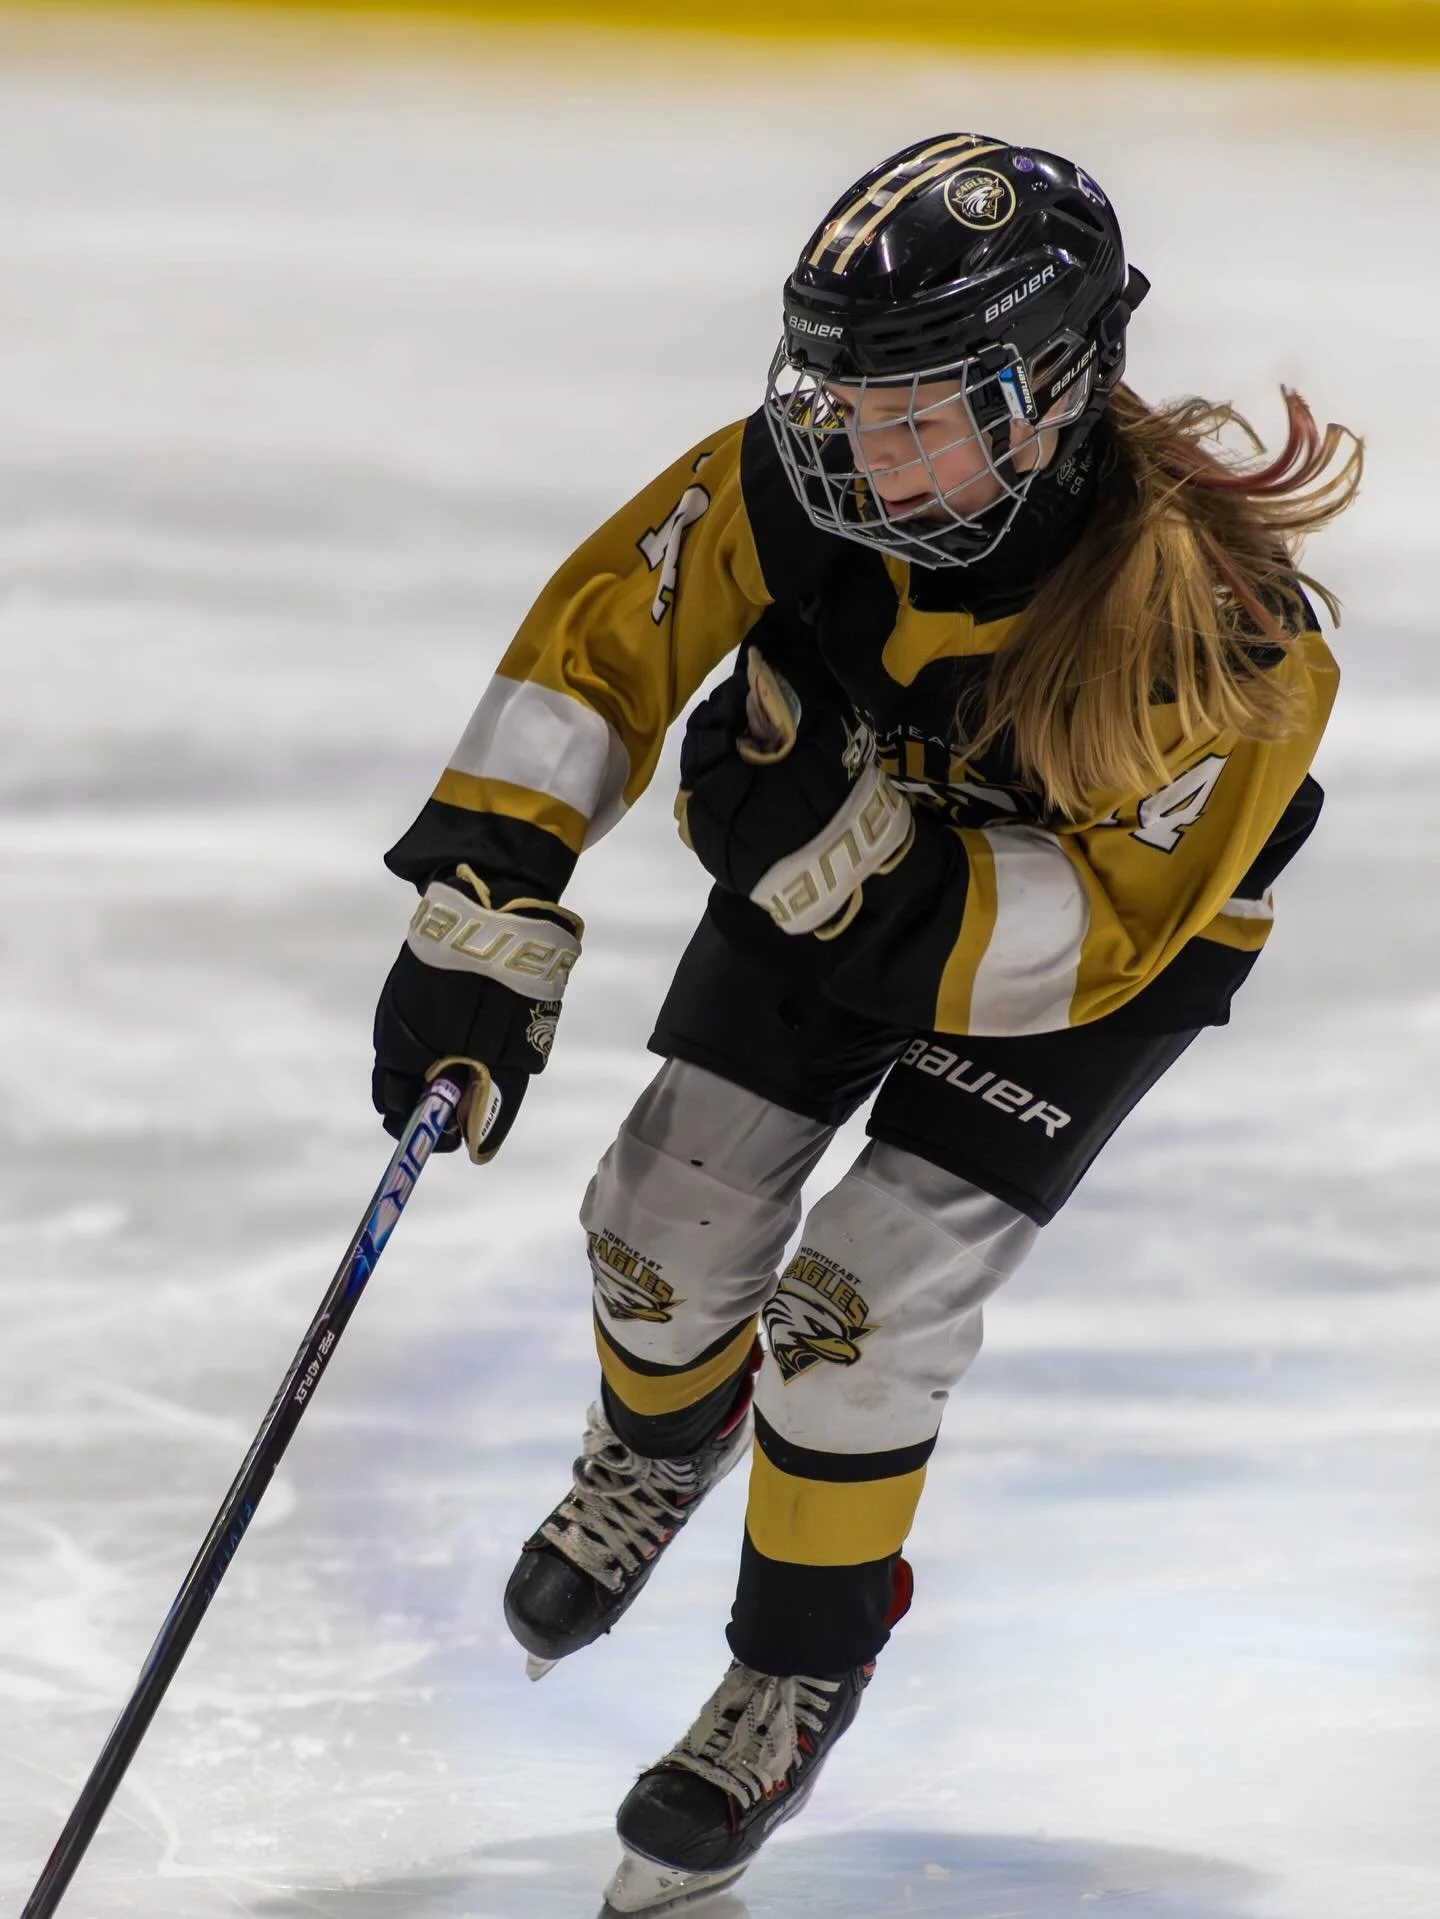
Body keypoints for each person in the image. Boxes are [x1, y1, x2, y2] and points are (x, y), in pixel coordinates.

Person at [370, 132, 1361, 1912]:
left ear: (1059, 392)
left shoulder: (1222, 636)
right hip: (856, 849)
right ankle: (662, 1442)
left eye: (929, 407)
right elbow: (608, 637)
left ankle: (795, 1656)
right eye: (844, 398)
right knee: (657, 1223)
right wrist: (487, 893)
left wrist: (828, 859)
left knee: (860, 1304)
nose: (868, 450)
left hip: (1079, 961)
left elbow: (1074, 956)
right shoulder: (801, 484)